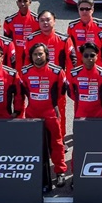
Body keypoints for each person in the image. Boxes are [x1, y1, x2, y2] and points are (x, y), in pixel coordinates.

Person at [20, 43, 67, 187]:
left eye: (41, 54)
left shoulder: (57, 71)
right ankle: (33, 171)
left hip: (51, 112)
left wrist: (50, 103)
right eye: (35, 54)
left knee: (57, 143)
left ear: (46, 55)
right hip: (32, 112)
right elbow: (22, 92)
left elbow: (61, 92)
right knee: (31, 143)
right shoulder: (25, 72)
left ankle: (60, 172)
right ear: (31, 56)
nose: (38, 57)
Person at [25, 10, 75, 137]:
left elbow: (71, 62)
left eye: (48, 20)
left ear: (54, 21)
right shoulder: (31, 39)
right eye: (42, 20)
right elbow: (26, 61)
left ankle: (60, 137)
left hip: (56, 82)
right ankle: (35, 138)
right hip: (35, 80)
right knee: (34, 109)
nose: (45, 23)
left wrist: (69, 82)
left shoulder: (64, 39)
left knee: (60, 110)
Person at [68, 42, 102, 119]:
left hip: (99, 115)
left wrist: (100, 100)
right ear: (82, 57)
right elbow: (69, 92)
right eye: (86, 55)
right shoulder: (74, 73)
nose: (89, 58)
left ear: (97, 57)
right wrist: (80, 100)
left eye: (92, 55)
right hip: (80, 114)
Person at [67, 0, 102, 69]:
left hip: (98, 65)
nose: (84, 11)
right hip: (79, 66)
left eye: (87, 9)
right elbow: (69, 47)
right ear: (78, 10)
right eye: (82, 9)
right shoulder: (72, 26)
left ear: (92, 10)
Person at [3, 0, 40, 66]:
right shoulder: (9, 21)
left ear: (30, 2)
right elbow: (6, 42)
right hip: (16, 58)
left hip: (33, 57)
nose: (22, 3)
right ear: (17, 3)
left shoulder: (37, 20)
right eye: (20, 1)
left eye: (25, 1)